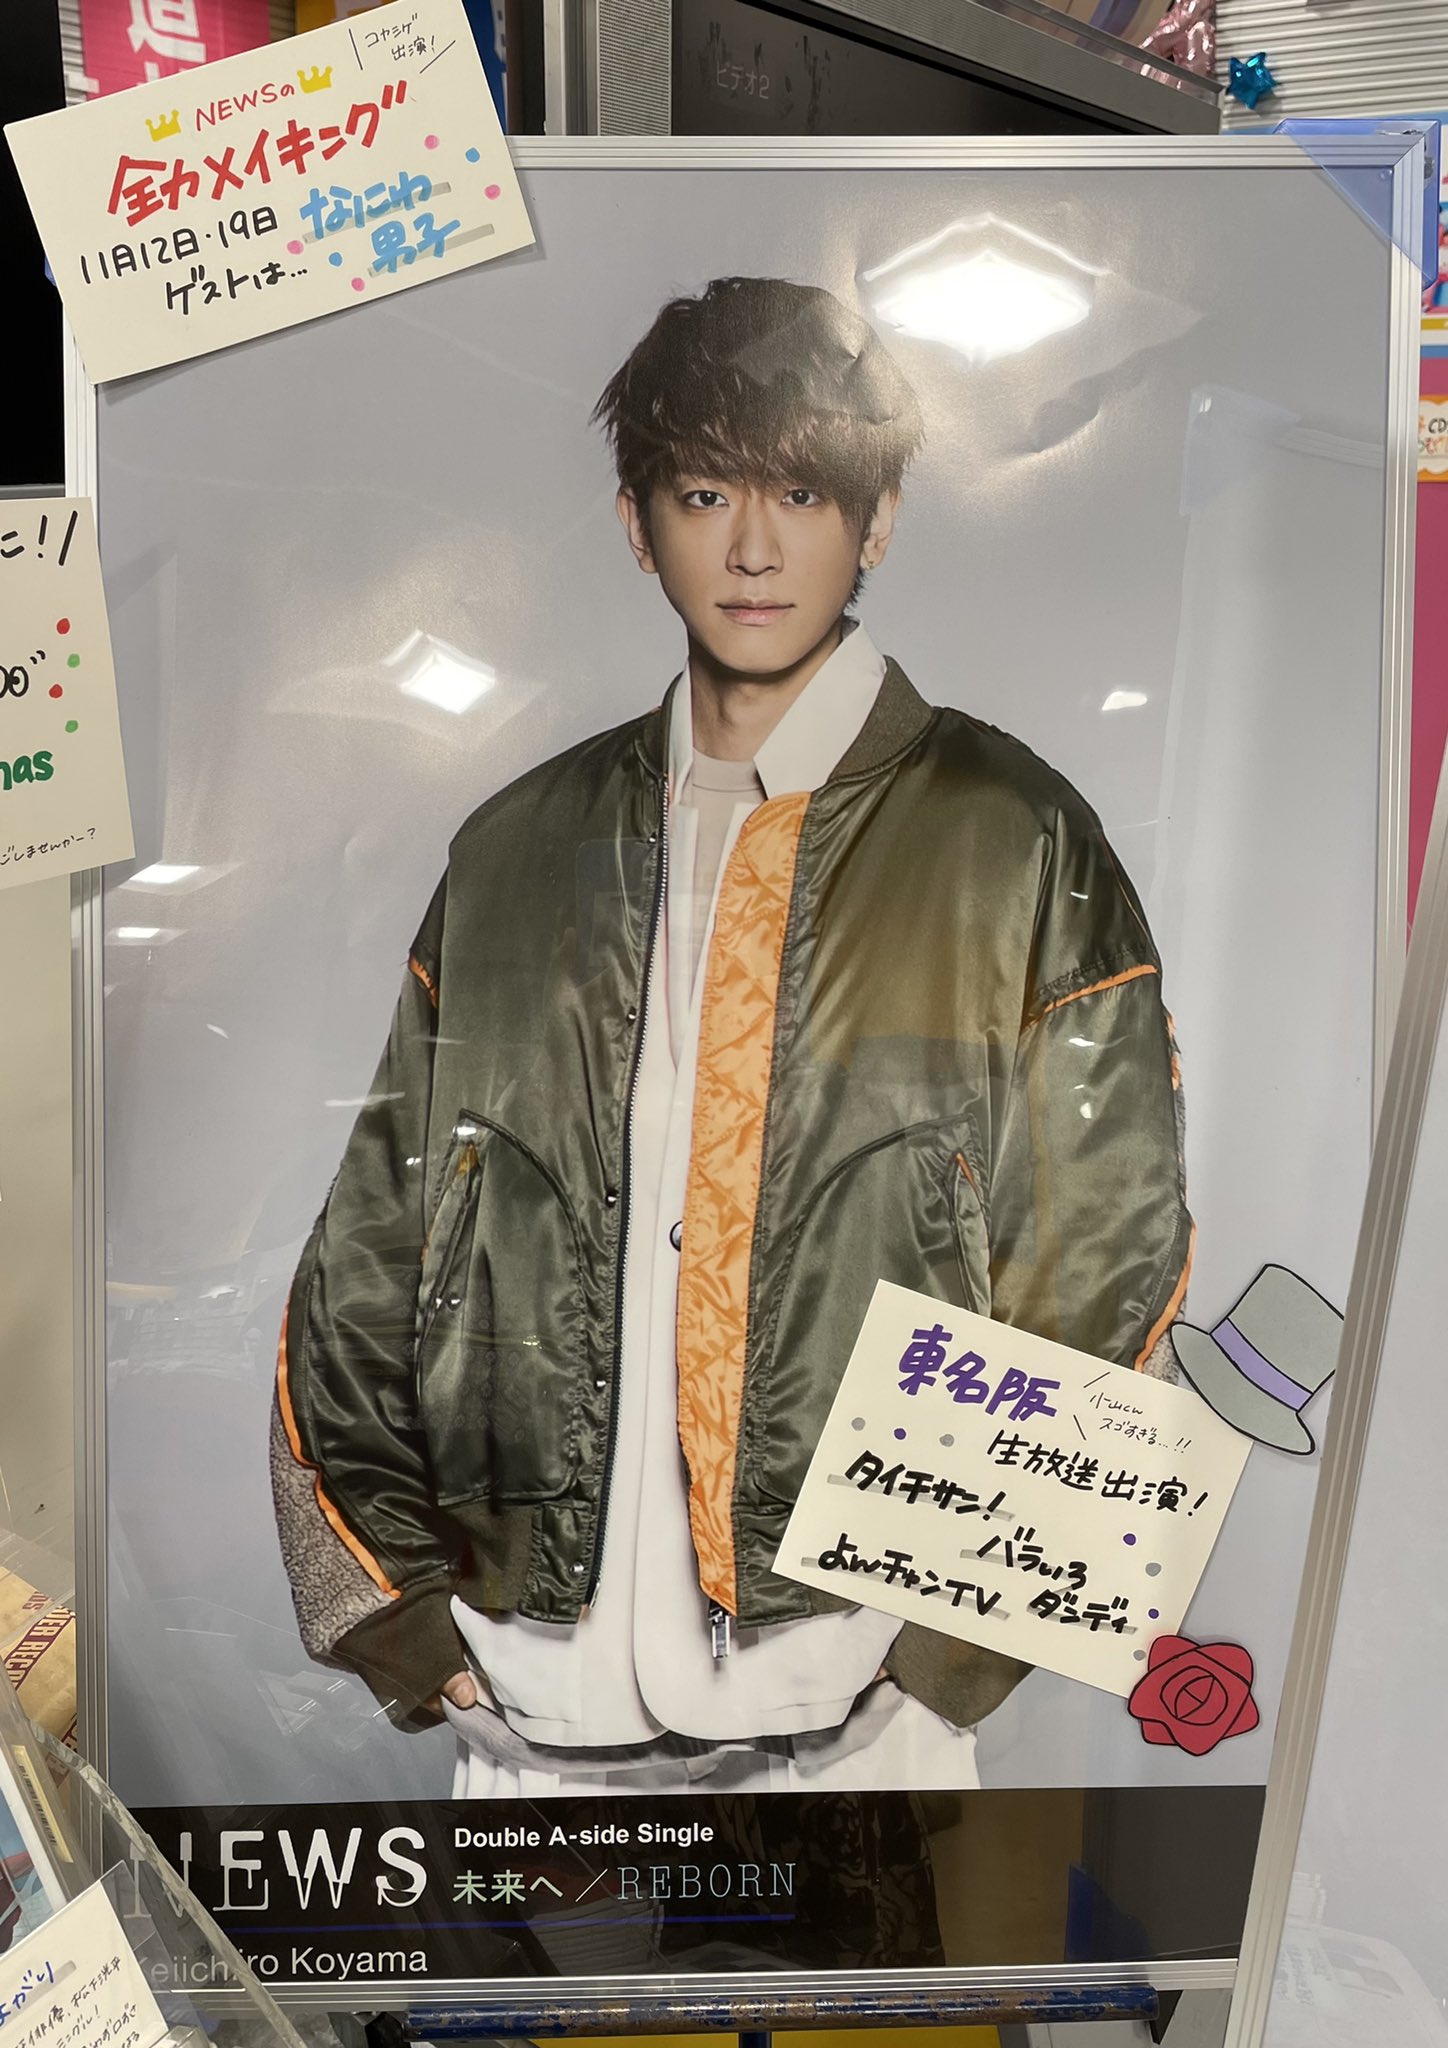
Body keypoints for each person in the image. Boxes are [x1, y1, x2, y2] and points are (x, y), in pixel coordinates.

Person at [271, 275, 1192, 1797]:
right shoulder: (517, 850)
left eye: (804, 494)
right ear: (639, 526)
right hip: (529, 1691)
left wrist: (949, 1653)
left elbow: (1111, 1255)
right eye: (704, 494)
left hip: (855, 1702)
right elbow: (374, 1243)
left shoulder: (1010, 837)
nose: (754, 548)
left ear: (879, 519)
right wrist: (401, 1618)